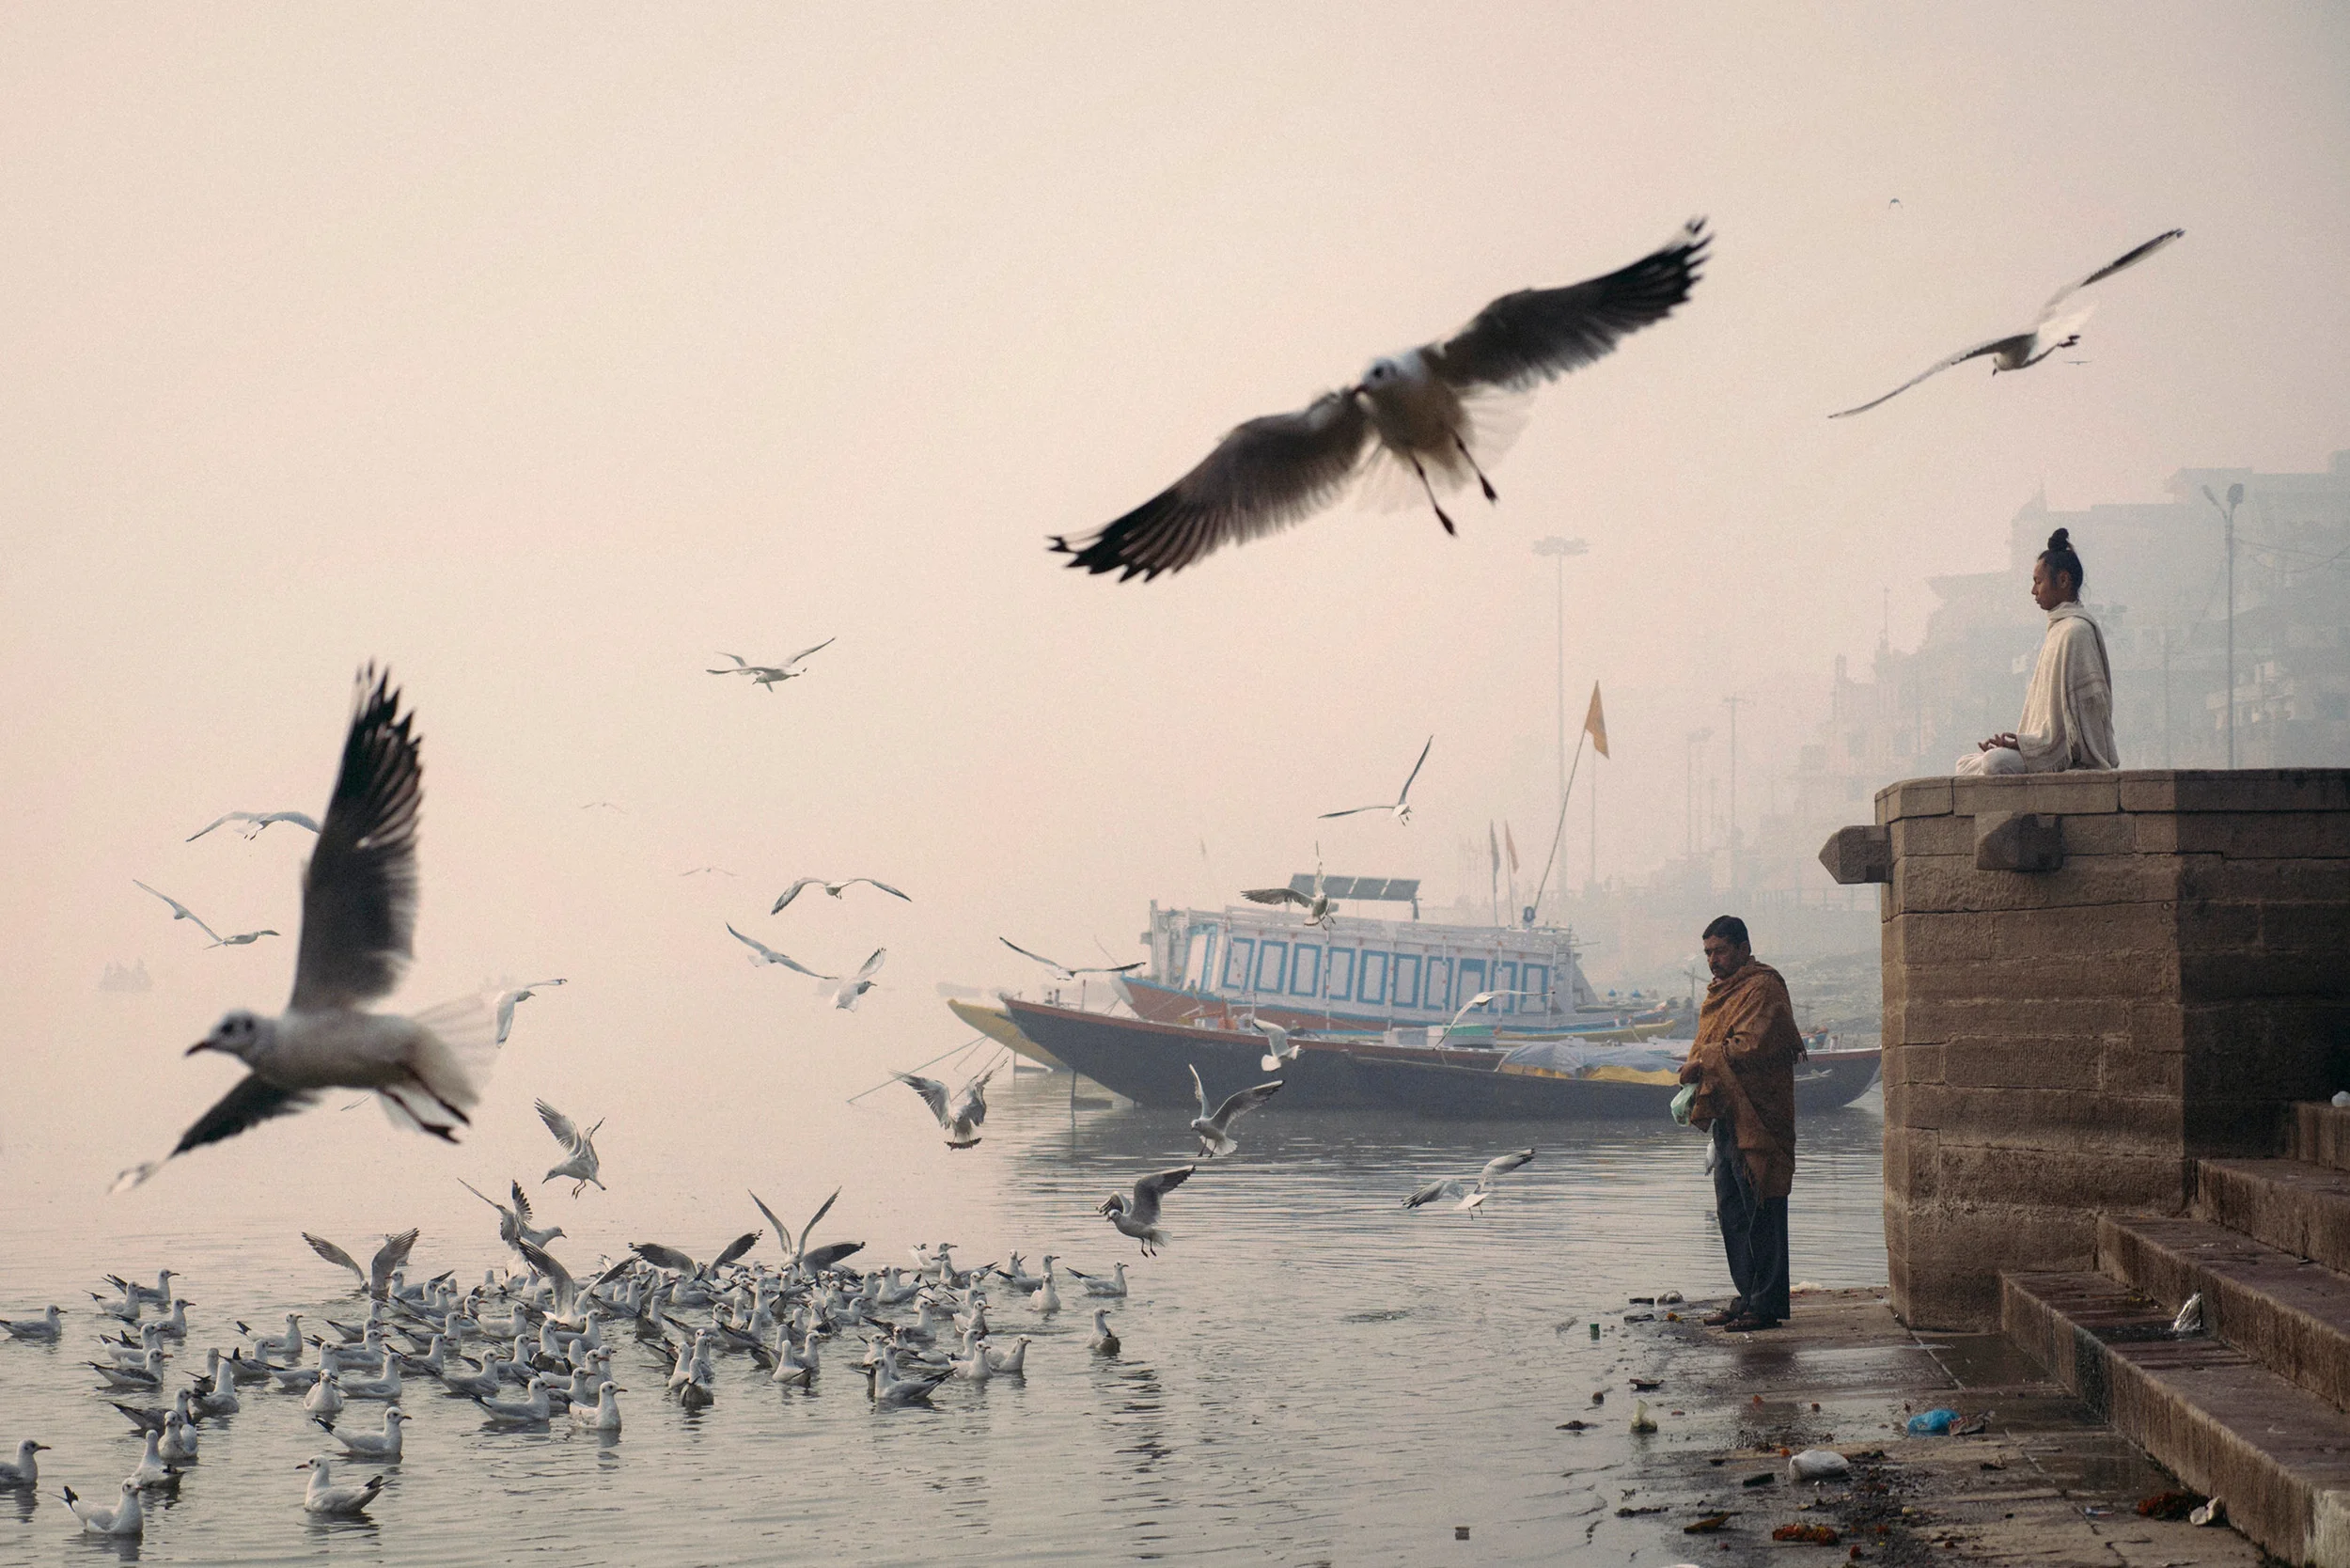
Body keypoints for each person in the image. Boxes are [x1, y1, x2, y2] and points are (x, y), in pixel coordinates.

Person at [1678, 916, 1803, 1331]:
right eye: (1708, 953)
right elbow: (1714, 1042)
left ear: (1744, 948)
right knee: (1731, 1211)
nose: (1713, 960)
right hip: (1728, 1114)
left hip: (1760, 1115)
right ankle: (1747, 1295)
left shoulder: (1763, 987)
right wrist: (1696, 1070)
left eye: (1721, 951)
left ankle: (1766, 1305)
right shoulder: (1719, 993)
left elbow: (1749, 1045)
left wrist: (1701, 1062)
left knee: (1762, 1208)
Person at [1956, 526, 2118, 776]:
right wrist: (2022, 744)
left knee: (1994, 764)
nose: (2034, 591)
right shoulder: (2057, 631)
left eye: (2038, 582)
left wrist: (2027, 746)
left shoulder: (2077, 631)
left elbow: (2084, 724)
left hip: (2064, 756)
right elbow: (2045, 723)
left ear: (2063, 580)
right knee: (1965, 764)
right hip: (2039, 749)